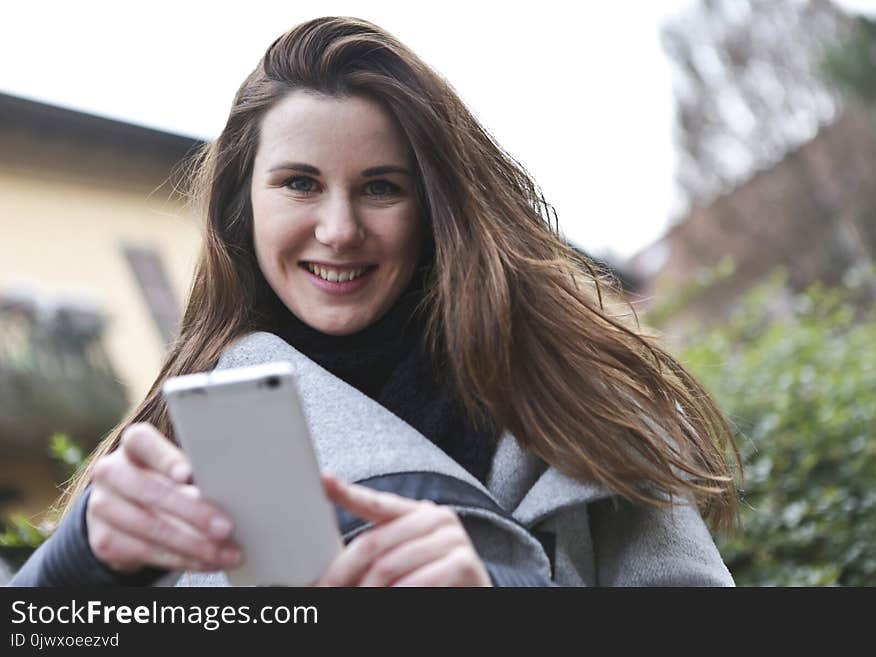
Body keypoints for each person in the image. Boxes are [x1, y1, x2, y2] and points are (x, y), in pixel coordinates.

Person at [10, 16, 740, 587]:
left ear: (434, 207)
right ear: (245, 206)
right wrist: (76, 562)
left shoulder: (568, 391)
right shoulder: (178, 440)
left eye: (381, 187)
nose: (339, 230)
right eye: (299, 182)